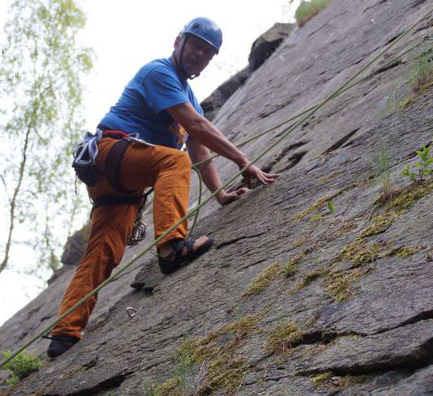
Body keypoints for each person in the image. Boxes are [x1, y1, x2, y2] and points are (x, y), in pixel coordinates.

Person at [47, 17, 278, 358]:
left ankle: (65, 333)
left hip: (118, 181)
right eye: (195, 45)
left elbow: (198, 149)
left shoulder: (189, 97)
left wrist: (221, 195)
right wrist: (244, 162)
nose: (199, 54)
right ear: (178, 41)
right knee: (173, 160)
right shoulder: (159, 72)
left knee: (104, 252)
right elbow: (195, 127)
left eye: (207, 51)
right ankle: (172, 248)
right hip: (113, 152)